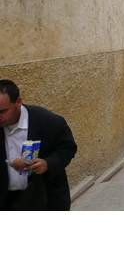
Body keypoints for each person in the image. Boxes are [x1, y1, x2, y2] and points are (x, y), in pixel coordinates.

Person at [0, 79, 78, 211]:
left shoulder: (49, 121)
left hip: (44, 197)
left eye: (2, 111)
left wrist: (47, 164)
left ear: (18, 102)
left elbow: (67, 148)